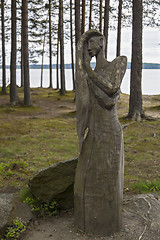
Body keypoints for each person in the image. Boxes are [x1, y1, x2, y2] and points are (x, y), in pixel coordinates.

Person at [74, 29, 127, 236]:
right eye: (85, 45)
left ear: (102, 42)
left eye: (91, 42)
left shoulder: (119, 62)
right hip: (93, 132)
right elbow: (96, 100)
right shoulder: (88, 75)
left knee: (109, 181)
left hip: (110, 132)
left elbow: (112, 89)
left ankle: (107, 225)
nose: (88, 47)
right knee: (85, 176)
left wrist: (88, 69)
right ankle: (85, 223)